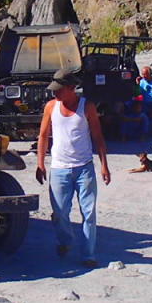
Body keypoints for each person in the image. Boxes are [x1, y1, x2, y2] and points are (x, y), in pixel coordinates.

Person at [36, 69, 111, 267]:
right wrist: (40, 163)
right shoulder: (51, 107)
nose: (55, 94)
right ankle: (66, 241)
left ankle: (88, 254)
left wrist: (104, 165)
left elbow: (98, 137)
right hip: (59, 169)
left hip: (84, 169)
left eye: (59, 90)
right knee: (59, 213)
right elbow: (43, 136)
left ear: (71, 88)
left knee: (88, 212)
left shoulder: (87, 107)